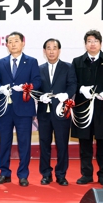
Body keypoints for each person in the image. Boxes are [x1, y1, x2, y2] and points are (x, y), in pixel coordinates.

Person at [71, 30, 103, 186]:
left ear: (100, 43)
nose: (92, 44)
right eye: (89, 41)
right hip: (83, 109)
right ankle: (86, 174)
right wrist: (81, 89)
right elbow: (72, 82)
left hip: (102, 109)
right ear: (85, 44)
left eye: (95, 41)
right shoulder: (77, 62)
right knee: (85, 144)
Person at [0, 32, 41, 187]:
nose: (13, 44)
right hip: (5, 109)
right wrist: (1, 88)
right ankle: (4, 173)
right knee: (4, 142)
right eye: (10, 41)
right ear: (6, 45)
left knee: (24, 143)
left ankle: (23, 175)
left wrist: (27, 87)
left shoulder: (32, 61)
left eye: (16, 41)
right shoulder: (1, 62)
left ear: (23, 43)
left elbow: (37, 81)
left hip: (24, 109)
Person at [36, 38, 77, 186]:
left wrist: (66, 95)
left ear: (59, 50)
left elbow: (73, 85)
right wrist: (40, 96)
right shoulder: (39, 69)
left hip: (61, 111)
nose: (51, 51)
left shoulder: (68, 67)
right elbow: (34, 87)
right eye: (48, 48)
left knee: (62, 144)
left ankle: (61, 174)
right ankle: (46, 174)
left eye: (54, 48)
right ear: (44, 51)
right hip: (44, 112)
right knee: (44, 143)